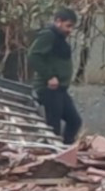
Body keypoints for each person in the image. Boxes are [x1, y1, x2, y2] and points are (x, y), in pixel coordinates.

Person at [28, 8, 82, 145]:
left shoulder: (59, 38)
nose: (70, 30)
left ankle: (66, 151)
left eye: (72, 27)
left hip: (60, 89)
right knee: (54, 127)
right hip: (49, 89)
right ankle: (54, 155)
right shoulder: (48, 35)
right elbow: (33, 56)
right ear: (58, 22)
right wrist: (50, 76)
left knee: (74, 121)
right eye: (68, 26)